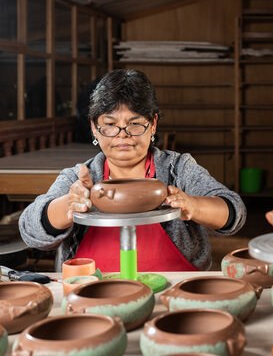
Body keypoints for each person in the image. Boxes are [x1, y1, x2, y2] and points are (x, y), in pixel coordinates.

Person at [19, 69, 247, 272]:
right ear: (94, 128)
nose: (122, 134)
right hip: (93, 293)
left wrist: (193, 205)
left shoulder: (178, 169)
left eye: (135, 123)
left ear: (153, 124)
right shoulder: (78, 178)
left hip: (172, 292)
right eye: (109, 124)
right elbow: (30, 231)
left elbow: (234, 213)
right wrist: (68, 205)